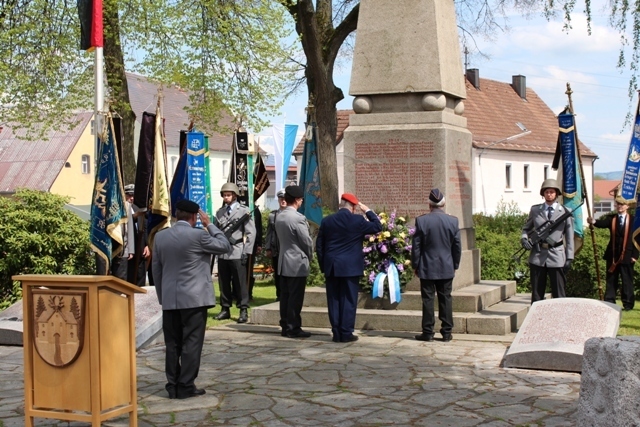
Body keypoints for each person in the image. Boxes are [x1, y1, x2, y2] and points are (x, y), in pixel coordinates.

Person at [152, 199, 231, 399]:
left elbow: (156, 270)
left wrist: (162, 297)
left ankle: (172, 385)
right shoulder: (199, 236)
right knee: (192, 342)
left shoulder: (160, 237)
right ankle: (186, 385)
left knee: (172, 344)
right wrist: (210, 225)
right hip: (194, 299)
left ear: (177, 215)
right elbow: (224, 245)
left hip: (170, 298)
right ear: (195, 217)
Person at [316, 193, 382, 343]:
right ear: (353, 207)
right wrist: (368, 211)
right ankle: (346, 332)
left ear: (341, 204)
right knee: (349, 300)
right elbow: (378, 226)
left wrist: (324, 266)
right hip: (350, 267)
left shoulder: (327, 221)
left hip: (332, 267)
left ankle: (336, 332)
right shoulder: (357, 220)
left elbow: (319, 246)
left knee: (333, 300)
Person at [411, 188, 461, 342]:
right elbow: (457, 246)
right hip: (446, 265)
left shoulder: (422, 221)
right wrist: (455, 264)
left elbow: (416, 247)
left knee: (428, 299)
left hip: (427, 266)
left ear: (429, 204)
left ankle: (428, 332)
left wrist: (415, 265)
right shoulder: (453, 221)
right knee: (446, 298)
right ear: (443, 204)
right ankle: (446, 332)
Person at [521, 178, 575, 304]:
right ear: (543, 194)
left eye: (552, 192)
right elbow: (526, 228)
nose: (549, 194)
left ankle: (560, 315)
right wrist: (524, 239)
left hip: (557, 255)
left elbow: (569, 236)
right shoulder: (535, 210)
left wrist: (569, 257)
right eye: (546, 192)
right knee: (537, 294)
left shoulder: (565, 211)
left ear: (556, 194)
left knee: (559, 293)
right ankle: (536, 315)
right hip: (538, 255)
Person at [275, 185, 314, 338]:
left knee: (285, 296)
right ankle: (293, 327)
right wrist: (310, 256)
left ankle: (285, 325)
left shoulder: (280, 216)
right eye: (301, 199)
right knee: (295, 297)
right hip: (296, 261)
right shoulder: (298, 218)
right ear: (297, 200)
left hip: (283, 261)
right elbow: (306, 242)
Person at [214, 182, 256, 323]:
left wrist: (246, 251)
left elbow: (251, 233)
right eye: (224, 195)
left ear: (235, 195)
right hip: (223, 252)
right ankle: (225, 308)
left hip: (237, 250)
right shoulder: (220, 212)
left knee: (240, 283)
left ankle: (243, 309)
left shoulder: (243, 211)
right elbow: (216, 231)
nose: (226, 197)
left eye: (228, 195)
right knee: (223, 282)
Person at [588, 197, 638, 310]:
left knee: (627, 280)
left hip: (628, 255)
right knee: (611, 279)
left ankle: (628, 304)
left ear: (627, 206)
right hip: (613, 255)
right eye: (618, 204)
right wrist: (593, 221)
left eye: (622, 204)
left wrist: (635, 255)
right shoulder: (612, 218)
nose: (619, 206)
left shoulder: (633, 220)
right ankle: (610, 301)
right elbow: (602, 223)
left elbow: (637, 239)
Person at [124, 184, 149, 286]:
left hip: (140, 248)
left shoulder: (138, 208)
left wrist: (147, 245)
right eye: (129, 195)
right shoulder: (124, 209)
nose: (131, 198)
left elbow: (145, 226)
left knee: (140, 278)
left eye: (133, 195)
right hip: (128, 250)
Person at [265, 189, 287, 301]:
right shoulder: (273, 215)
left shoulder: (293, 215)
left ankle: (287, 294)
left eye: (285, 199)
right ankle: (279, 295)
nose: (283, 201)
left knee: (287, 273)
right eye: (281, 199)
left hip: (287, 249)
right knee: (278, 274)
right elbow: (269, 233)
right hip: (276, 249)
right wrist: (268, 248)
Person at [247, 207, 263, 301]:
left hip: (252, 243)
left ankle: (249, 293)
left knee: (249, 270)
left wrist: (259, 244)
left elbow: (258, 227)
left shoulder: (254, 210)